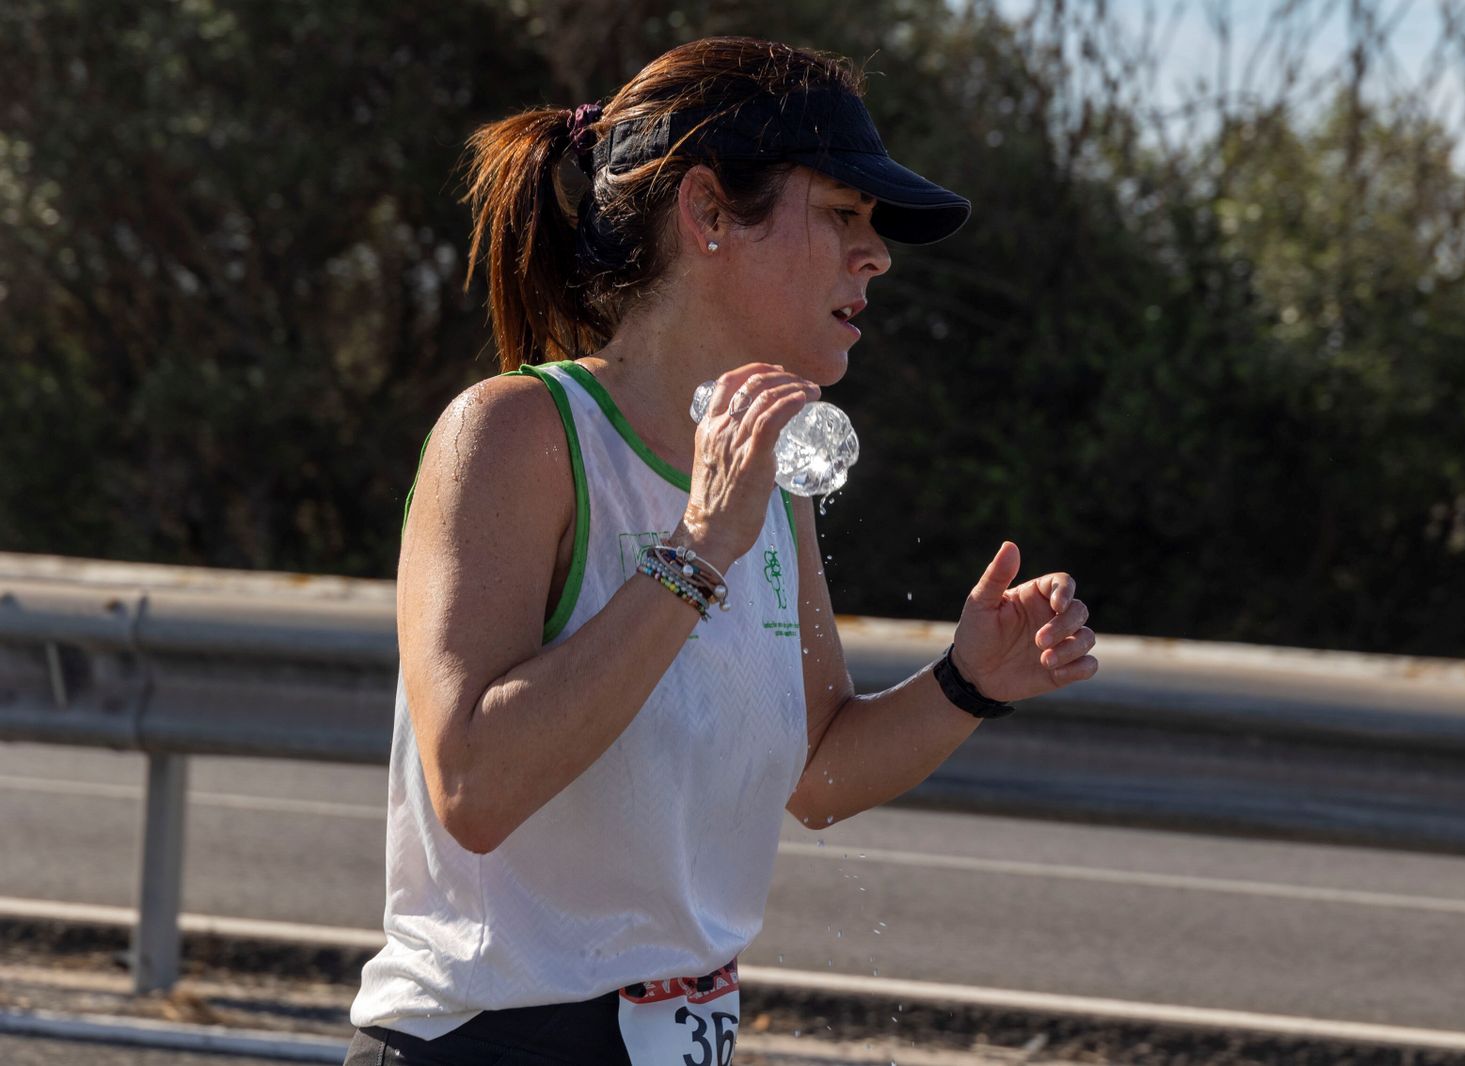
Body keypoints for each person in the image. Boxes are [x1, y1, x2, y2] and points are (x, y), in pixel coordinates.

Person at [344, 35, 1098, 1066]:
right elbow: (474, 786)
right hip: (491, 1041)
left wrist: (968, 681)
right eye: (841, 216)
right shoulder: (517, 433)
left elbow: (817, 774)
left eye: (872, 230)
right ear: (706, 212)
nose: (873, 255)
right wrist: (697, 550)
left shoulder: (763, 481)